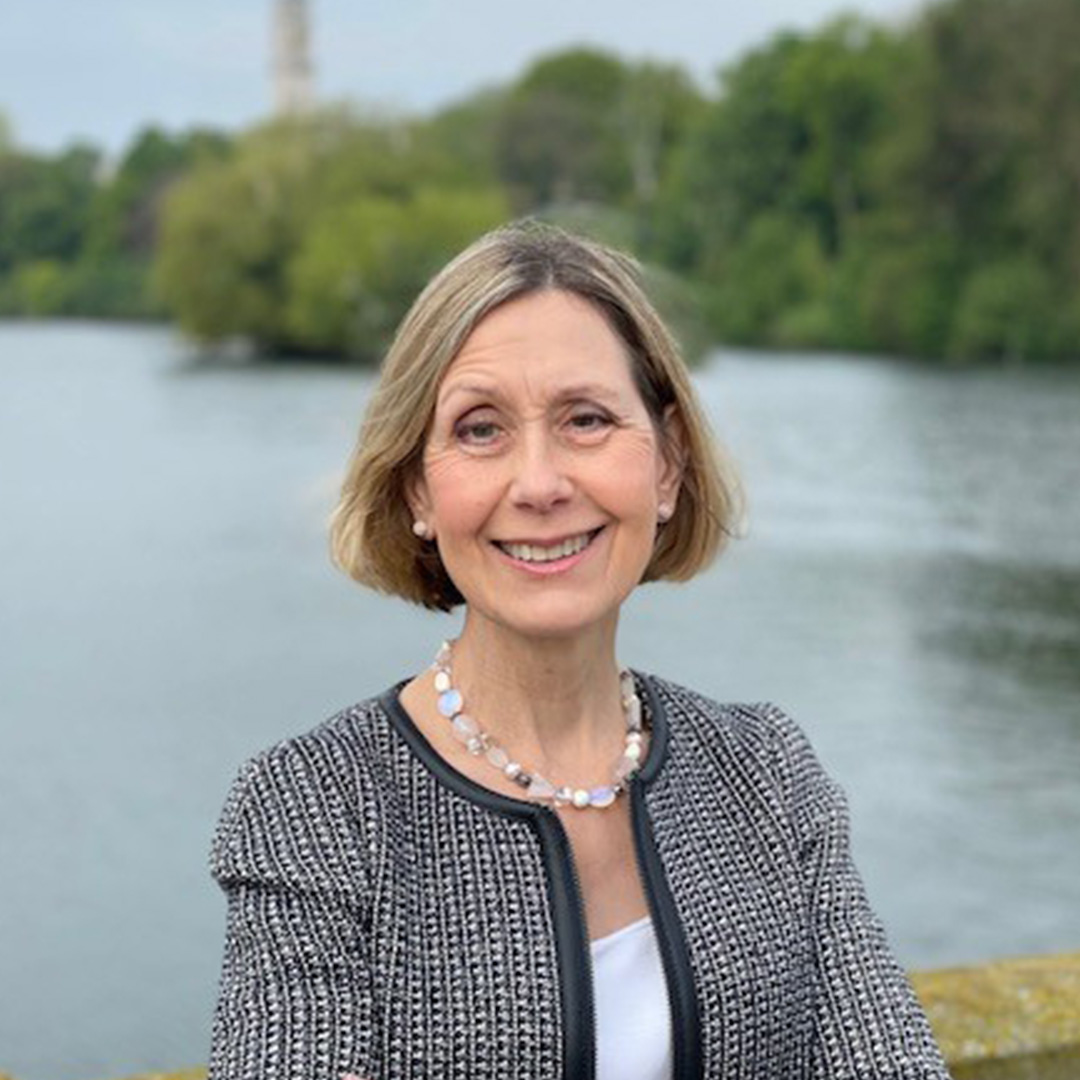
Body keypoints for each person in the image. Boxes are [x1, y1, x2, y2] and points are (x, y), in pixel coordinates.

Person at [207, 220, 951, 1080]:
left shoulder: (769, 777)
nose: (540, 484)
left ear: (667, 464)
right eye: (480, 430)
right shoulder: (318, 810)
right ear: (417, 486)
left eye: (587, 419)